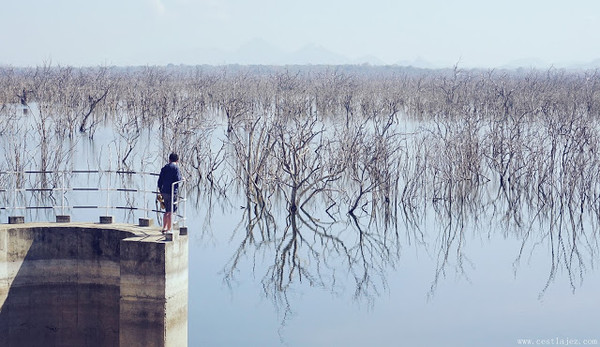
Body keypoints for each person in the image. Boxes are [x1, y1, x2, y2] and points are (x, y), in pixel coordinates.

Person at [157, 152, 182, 232]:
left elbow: (159, 180)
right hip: (172, 192)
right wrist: (182, 178)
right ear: (177, 160)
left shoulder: (164, 168)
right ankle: (169, 228)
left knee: (166, 210)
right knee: (171, 211)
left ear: (169, 159)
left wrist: (161, 190)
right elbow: (178, 179)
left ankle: (164, 227)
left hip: (164, 191)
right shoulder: (175, 168)